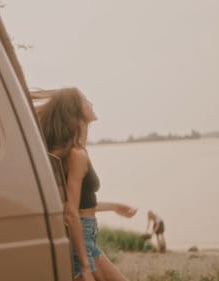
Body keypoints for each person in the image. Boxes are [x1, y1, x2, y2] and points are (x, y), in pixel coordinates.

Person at [34, 87, 136, 281]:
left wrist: (114, 207)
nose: (91, 103)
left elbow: (79, 205)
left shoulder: (76, 151)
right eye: (85, 100)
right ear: (76, 111)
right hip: (82, 238)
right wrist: (85, 266)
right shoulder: (76, 155)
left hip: (85, 235)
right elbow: (71, 213)